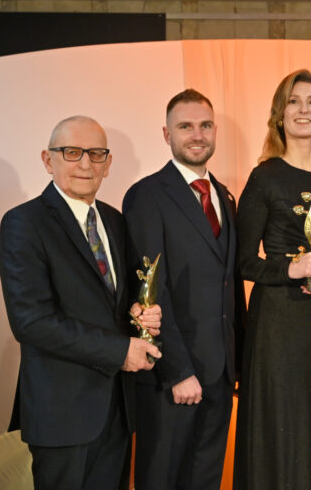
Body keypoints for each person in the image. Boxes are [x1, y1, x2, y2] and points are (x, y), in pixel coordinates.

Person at [0, 115, 162, 490]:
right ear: (47, 159)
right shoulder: (24, 223)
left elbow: (113, 302)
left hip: (117, 412)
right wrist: (121, 349)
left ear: (108, 163)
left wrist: (140, 313)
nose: (85, 164)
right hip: (62, 416)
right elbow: (31, 321)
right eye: (72, 152)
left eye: (96, 153)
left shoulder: (114, 220)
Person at [233, 69, 311, 489]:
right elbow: (244, 262)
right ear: (279, 115)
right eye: (293, 101)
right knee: (275, 429)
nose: (303, 110)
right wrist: (290, 269)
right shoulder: (264, 176)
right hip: (275, 326)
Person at [122, 89, 241, 490]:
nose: (197, 135)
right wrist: (178, 371)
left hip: (221, 374)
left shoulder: (224, 196)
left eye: (205, 125)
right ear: (166, 133)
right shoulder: (147, 195)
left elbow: (228, 285)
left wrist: (235, 364)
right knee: (162, 479)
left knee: (204, 480)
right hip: (173, 375)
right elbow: (149, 293)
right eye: (185, 126)